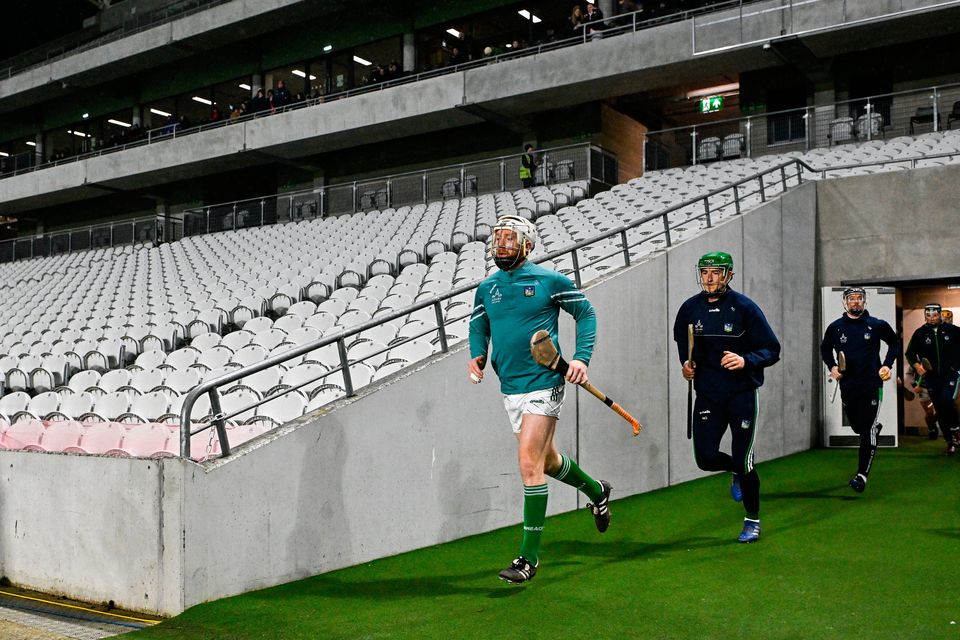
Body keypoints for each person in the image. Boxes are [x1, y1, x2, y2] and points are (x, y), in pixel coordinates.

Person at [468, 214, 611, 584]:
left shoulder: (550, 281)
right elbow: (478, 323)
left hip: (545, 381)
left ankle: (528, 559)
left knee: (528, 462)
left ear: (527, 245)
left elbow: (587, 312)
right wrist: (477, 353)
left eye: (509, 239)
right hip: (510, 387)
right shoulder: (487, 287)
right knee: (546, 461)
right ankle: (597, 492)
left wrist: (581, 358)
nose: (501, 245)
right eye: (498, 239)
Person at [673, 251, 780, 543]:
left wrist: (746, 360)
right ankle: (735, 468)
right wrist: (686, 364)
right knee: (705, 459)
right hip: (707, 394)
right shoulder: (689, 308)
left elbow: (773, 350)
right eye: (705, 272)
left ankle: (752, 520)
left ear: (728, 274)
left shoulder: (745, 308)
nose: (709, 278)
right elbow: (684, 343)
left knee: (744, 460)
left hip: (742, 394)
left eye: (716, 272)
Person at [819, 287, 899, 493]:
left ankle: (861, 475)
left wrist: (887, 365)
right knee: (857, 426)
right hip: (848, 385)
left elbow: (895, 343)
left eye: (859, 299)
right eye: (852, 299)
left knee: (866, 430)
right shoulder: (835, 328)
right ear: (845, 302)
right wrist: (832, 367)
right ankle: (874, 428)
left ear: (864, 301)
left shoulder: (876, 325)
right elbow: (825, 349)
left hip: (872, 383)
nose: (856, 302)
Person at [905, 303, 960, 455]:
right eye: (928, 315)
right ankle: (950, 441)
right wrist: (917, 366)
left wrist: (957, 366)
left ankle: (956, 429)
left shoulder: (953, 331)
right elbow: (909, 354)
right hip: (931, 377)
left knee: (947, 401)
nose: (931, 318)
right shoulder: (920, 333)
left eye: (934, 315)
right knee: (940, 409)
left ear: (940, 315)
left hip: (951, 374)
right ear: (925, 316)